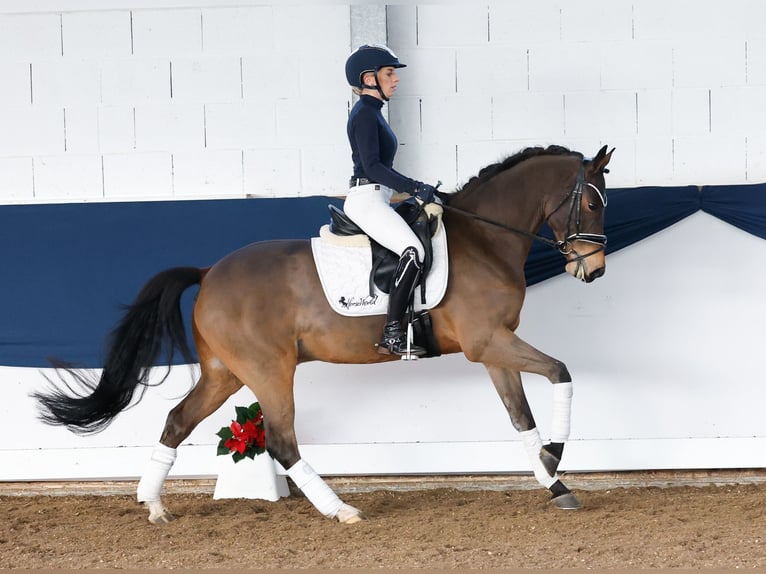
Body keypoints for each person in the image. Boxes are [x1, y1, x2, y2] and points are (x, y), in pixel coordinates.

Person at [343, 44, 439, 357]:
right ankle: (393, 333)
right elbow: (373, 168)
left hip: (378, 198)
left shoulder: (373, 113)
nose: (395, 79)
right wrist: (415, 187)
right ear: (369, 79)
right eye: (389, 73)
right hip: (366, 199)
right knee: (413, 250)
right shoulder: (365, 115)